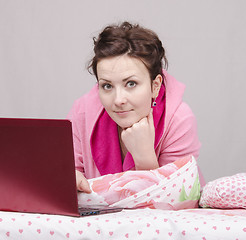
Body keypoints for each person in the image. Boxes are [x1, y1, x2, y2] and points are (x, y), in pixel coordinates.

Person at [67, 21, 203, 193]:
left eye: (131, 83)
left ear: (155, 86)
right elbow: (66, 172)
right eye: (107, 86)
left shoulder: (179, 120)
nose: (118, 100)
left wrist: (144, 157)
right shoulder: (82, 113)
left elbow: (179, 198)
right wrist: (70, 179)